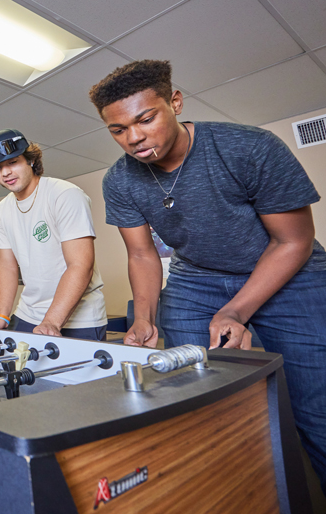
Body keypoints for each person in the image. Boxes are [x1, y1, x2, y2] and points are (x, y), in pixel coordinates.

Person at [91, 59, 326, 491]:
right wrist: (143, 317)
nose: (134, 137)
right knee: (195, 396)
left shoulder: (249, 148)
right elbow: (142, 255)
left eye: (146, 119)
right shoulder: (119, 181)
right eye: (118, 130)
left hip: (292, 273)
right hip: (196, 278)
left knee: (315, 406)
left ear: (175, 103)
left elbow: (293, 241)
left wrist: (236, 310)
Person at [0, 129, 107, 338]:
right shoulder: (1, 210)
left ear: (30, 160)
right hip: (28, 313)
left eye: (13, 162)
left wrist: (51, 322)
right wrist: (2, 315)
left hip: (80, 318)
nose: (5, 173)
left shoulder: (64, 194)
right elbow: (6, 265)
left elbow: (80, 264)